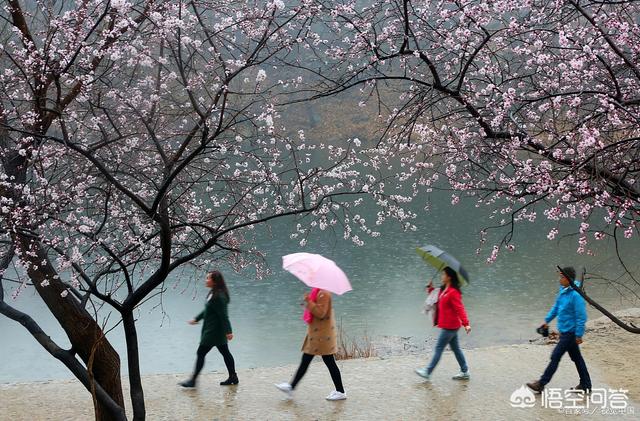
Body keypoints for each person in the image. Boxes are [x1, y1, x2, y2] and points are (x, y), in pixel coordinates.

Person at [527, 266, 592, 393]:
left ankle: (541, 383)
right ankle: (586, 384)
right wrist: (547, 321)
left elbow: (581, 316)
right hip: (564, 331)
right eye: (560, 276)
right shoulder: (563, 291)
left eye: (562, 277)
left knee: (555, 356)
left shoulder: (575, 295)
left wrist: (579, 334)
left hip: (571, 333)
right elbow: (556, 307)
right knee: (577, 359)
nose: (560, 279)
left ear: (568, 279)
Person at [275, 288, 346, 401]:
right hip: (318, 335)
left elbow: (321, 313)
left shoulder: (324, 294)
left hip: (322, 336)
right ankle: (291, 387)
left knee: (327, 362)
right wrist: (308, 303)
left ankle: (340, 391)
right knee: (311, 360)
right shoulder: (318, 292)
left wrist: (309, 301)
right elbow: (316, 310)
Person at [180, 271, 238, 387]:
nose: (206, 280)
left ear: (215, 281)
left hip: (214, 332)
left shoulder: (219, 296)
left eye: (208, 278)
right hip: (213, 330)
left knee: (201, 352)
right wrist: (197, 318)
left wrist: (229, 331)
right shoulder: (213, 293)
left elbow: (224, 315)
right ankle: (233, 377)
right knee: (225, 352)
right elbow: (207, 310)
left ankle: (193, 381)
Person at [415, 266, 471, 381]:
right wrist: (430, 288)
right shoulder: (444, 289)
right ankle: (465, 371)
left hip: (450, 327)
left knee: (439, 348)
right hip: (449, 325)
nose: (442, 276)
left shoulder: (453, 292)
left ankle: (427, 371)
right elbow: (438, 300)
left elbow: (460, 309)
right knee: (456, 348)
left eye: (443, 274)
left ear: (449, 277)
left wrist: (466, 324)